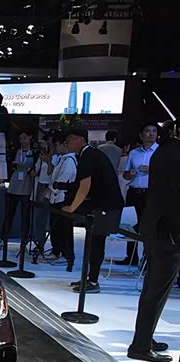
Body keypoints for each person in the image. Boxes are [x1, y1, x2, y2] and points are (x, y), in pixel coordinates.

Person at [127, 121, 180, 362]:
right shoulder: (174, 153)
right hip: (168, 232)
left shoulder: (164, 150)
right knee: (157, 290)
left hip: (156, 226)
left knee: (152, 287)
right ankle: (141, 345)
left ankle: (145, 337)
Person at [63, 126, 124, 294]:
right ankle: (89, 278)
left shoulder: (88, 155)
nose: (67, 143)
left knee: (97, 242)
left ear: (81, 140)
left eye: (70, 140)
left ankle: (93, 280)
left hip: (106, 206)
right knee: (94, 242)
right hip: (102, 204)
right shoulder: (87, 154)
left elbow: (85, 186)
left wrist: (72, 208)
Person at [119, 123, 160, 266]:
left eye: (154, 131)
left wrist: (151, 171)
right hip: (134, 192)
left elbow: (166, 175)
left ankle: (147, 259)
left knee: (150, 226)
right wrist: (130, 174)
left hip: (151, 193)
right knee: (131, 224)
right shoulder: (134, 153)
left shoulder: (160, 152)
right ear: (141, 135)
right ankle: (131, 257)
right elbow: (125, 175)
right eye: (148, 131)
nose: (151, 134)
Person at [42, 133, 77, 269]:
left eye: (57, 145)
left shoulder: (69, 160)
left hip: (63, 198)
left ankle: (66, 254)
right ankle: (56, 250)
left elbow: (64, 178)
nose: (55, 148)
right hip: (56, 197)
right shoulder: (63, 159)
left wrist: (51, 189)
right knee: (56, 226)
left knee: (64, 228)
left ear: (64, 144)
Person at [1, 131, 37, 251]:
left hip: (26, 188)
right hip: (13, 186)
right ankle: (3, 239)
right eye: (20, 138)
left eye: (25, 138)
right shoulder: (15, 151)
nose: (22, 141)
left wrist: (27, 168)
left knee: (25, 217)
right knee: (8, 215)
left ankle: (24, 242)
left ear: (30, 137)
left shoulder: (35, 153)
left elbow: (35, 172)